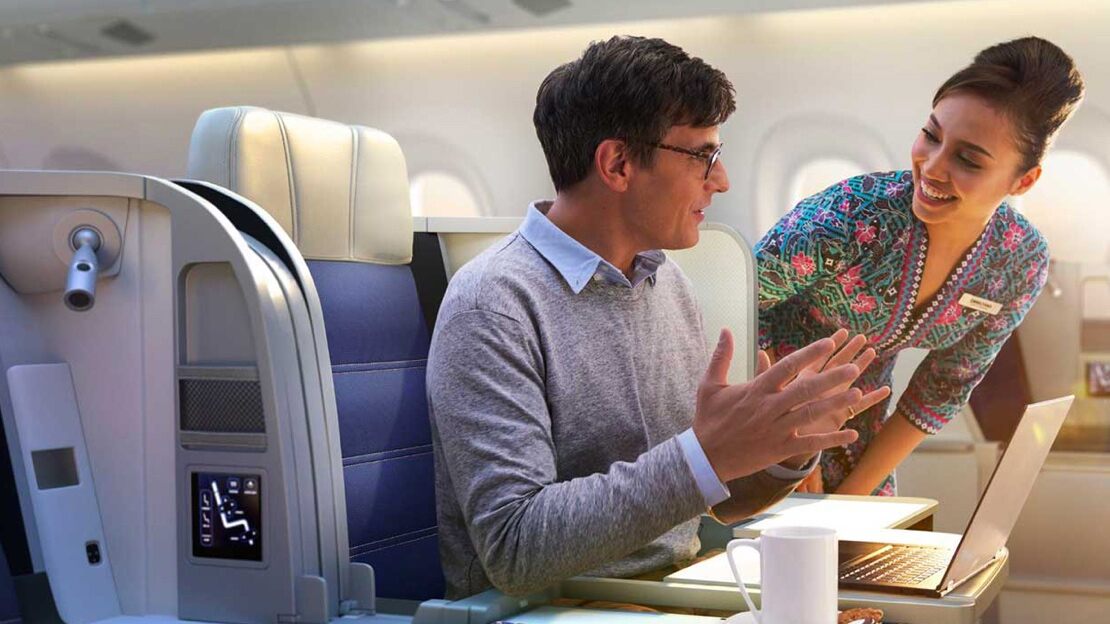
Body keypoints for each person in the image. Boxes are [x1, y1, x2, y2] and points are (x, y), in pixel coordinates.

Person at [426, 36, 888, 600]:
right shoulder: (493, 304)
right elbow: (515, 547)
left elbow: (701, 500)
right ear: (618, 164)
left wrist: (781, 446)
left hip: (667, 593)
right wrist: (707, 454)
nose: (721, 180)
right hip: (547, 608)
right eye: (702, 157)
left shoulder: (667, 284)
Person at [755, 36, 1085, 496]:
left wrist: (856, 496)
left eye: (967, 159)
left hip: (858, 430)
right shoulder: (854, 215)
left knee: (869, 534)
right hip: (758, 405)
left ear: (1023, 180)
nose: (931, 167)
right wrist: (787, 438)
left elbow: (943, 388)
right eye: (931, 135)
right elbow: (734, 300)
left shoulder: (1019, 262)